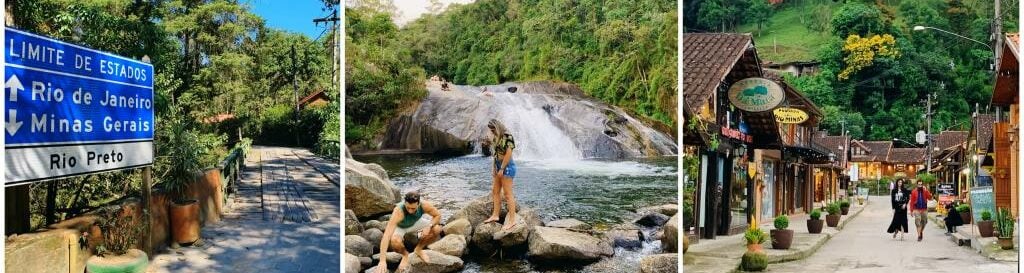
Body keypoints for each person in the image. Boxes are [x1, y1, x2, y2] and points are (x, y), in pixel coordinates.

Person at [376, 192, 442, 273]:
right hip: (401, 227)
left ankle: (418, 249)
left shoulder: (424, 205)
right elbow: (386, 236)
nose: (410, 211)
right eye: (408, 208)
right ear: (405, 203)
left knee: (437, 229)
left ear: (418, 204)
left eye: (413, 208)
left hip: (416, 223)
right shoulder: (398, 211)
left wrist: (429, 226)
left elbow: (437, 215)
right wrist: (382, 261)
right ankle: (405, 255)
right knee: (395, 241)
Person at [483, 119, 518, 230]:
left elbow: (508, 154)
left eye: (493, 129)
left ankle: (512, 221)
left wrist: (502, 168)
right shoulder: (496, 137)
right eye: (491, 130)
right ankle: (495, 215)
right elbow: (495, 154)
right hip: (498, 166)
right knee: (495, 191)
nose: (492, 131)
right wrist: (494, 168)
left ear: (497, 127)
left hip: (507, 167)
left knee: (508, 194)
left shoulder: (508, 137)